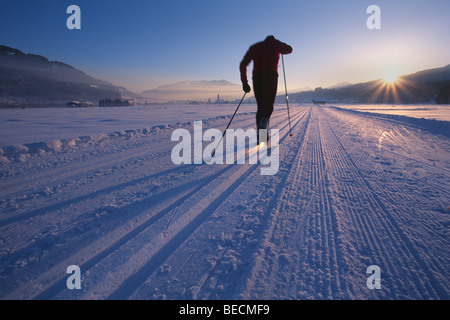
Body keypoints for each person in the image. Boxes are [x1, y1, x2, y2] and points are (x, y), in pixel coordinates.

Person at [239, 35, 293, 144]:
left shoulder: (255, 47)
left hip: (257, 78)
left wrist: (244, 82)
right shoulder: (276, 45)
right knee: (269, 104)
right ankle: (264, 122)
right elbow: (289, 49)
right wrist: (278, 44)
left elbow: (243, 64)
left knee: (261, 106)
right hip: (271, 76)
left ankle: (262, 136)